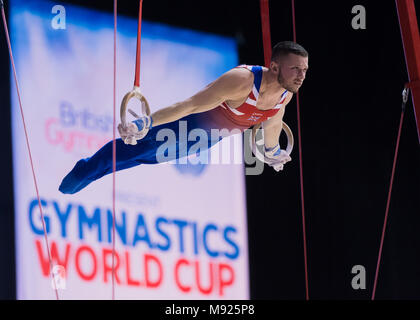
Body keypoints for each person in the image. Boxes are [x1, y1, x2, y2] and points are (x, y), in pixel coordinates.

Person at [59, 41, 309, 194]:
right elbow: (188, 105)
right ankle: (85, 170)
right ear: (275, 67)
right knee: (133, 151)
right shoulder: (242, 81)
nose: (301, 75)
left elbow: (273, 126)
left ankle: (90, 171)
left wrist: (274, 153)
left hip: (205, 141)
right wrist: (145, 122)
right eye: (295, 69)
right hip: (186, 125)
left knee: (143, 160)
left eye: (304, 70)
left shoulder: (284, 96)